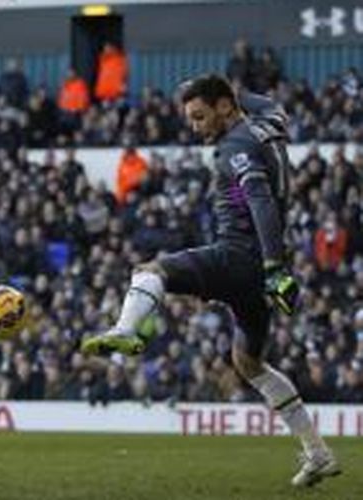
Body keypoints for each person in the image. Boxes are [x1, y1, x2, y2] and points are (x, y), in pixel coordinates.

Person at [81, 74, 340, 487]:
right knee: (248, 363)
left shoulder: (235, 147)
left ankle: (125, 331)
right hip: (256, 273)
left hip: (237, 257)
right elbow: (269, 104)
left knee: (150, 271)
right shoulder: (270, 121)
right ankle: (318, 453)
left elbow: (260, 201)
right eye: (190, 118)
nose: (195, 126)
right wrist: (273, 267)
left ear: (223, 108)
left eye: (200, 117)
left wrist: (275, 267)